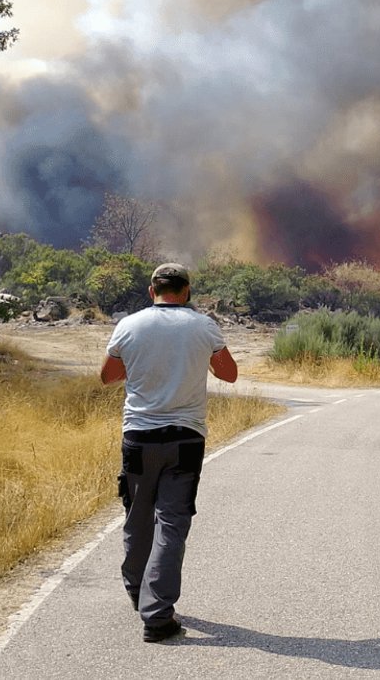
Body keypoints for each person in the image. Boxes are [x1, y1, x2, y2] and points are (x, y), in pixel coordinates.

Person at [100, 263, 238, 643]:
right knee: (172, 522)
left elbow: (108, 376)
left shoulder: (129, 325)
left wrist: (145, 366)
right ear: (187, 291)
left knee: (138, 516)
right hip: (185, 439)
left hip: (140, 438)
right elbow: (229, 375)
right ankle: (157, 614)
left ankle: (137, 592)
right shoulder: (204, 326)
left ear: (152, 290)